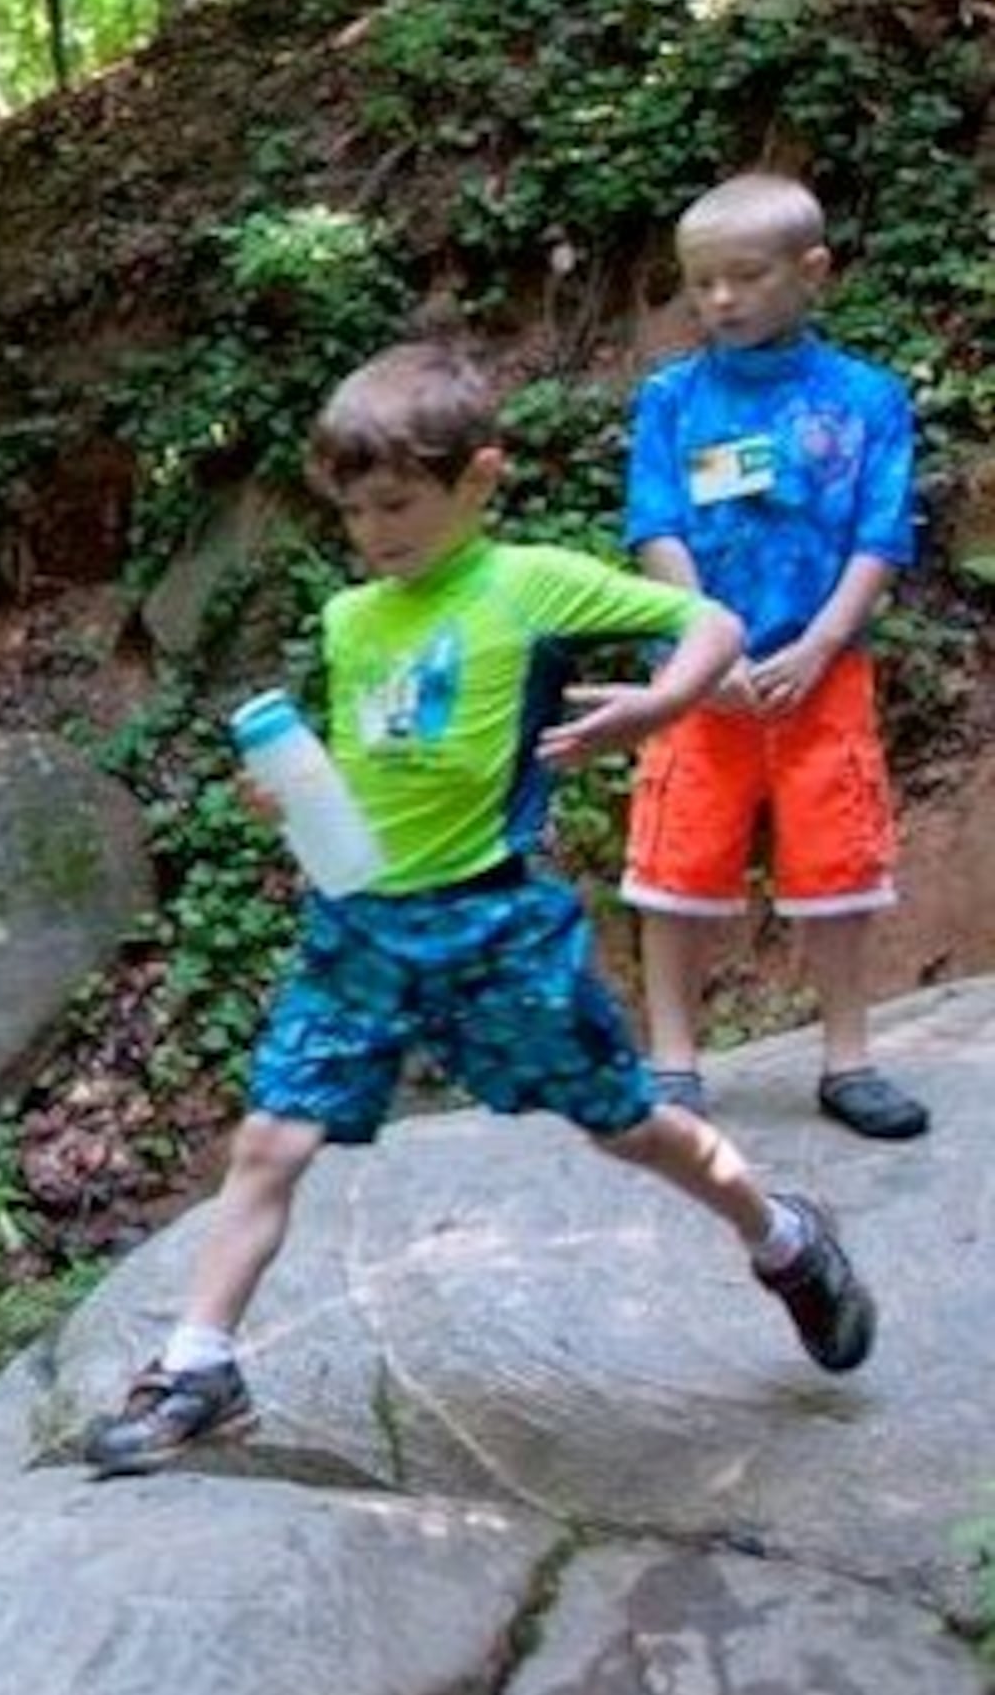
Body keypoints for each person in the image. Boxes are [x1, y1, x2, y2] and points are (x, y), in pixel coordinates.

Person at [84, 341, 878, 1477]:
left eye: (399, 504)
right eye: (354, 512)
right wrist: (293, 799)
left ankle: (784, 1238)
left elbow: (714, 629)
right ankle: (201, 1367)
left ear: (480, 479)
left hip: (496, 927)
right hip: (360, 924)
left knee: (629, 1128)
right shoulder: (355, 617)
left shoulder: (528, 583)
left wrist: (651, 708)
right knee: (271, 1140)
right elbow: (369, 767)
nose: (377, 533)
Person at [617, 171, 926, 1140]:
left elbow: (881, 536)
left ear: (813, 272)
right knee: (675, 866)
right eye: (701, 282)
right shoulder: (671, 401)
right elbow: (655, 526)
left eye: (745, 277)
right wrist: (708, 643)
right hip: (701, 684)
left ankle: (848, 1060)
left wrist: (825, 641)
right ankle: (673, 1060)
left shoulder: (868, 399)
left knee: (838, 867)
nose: (720, 300)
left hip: (824, 678)